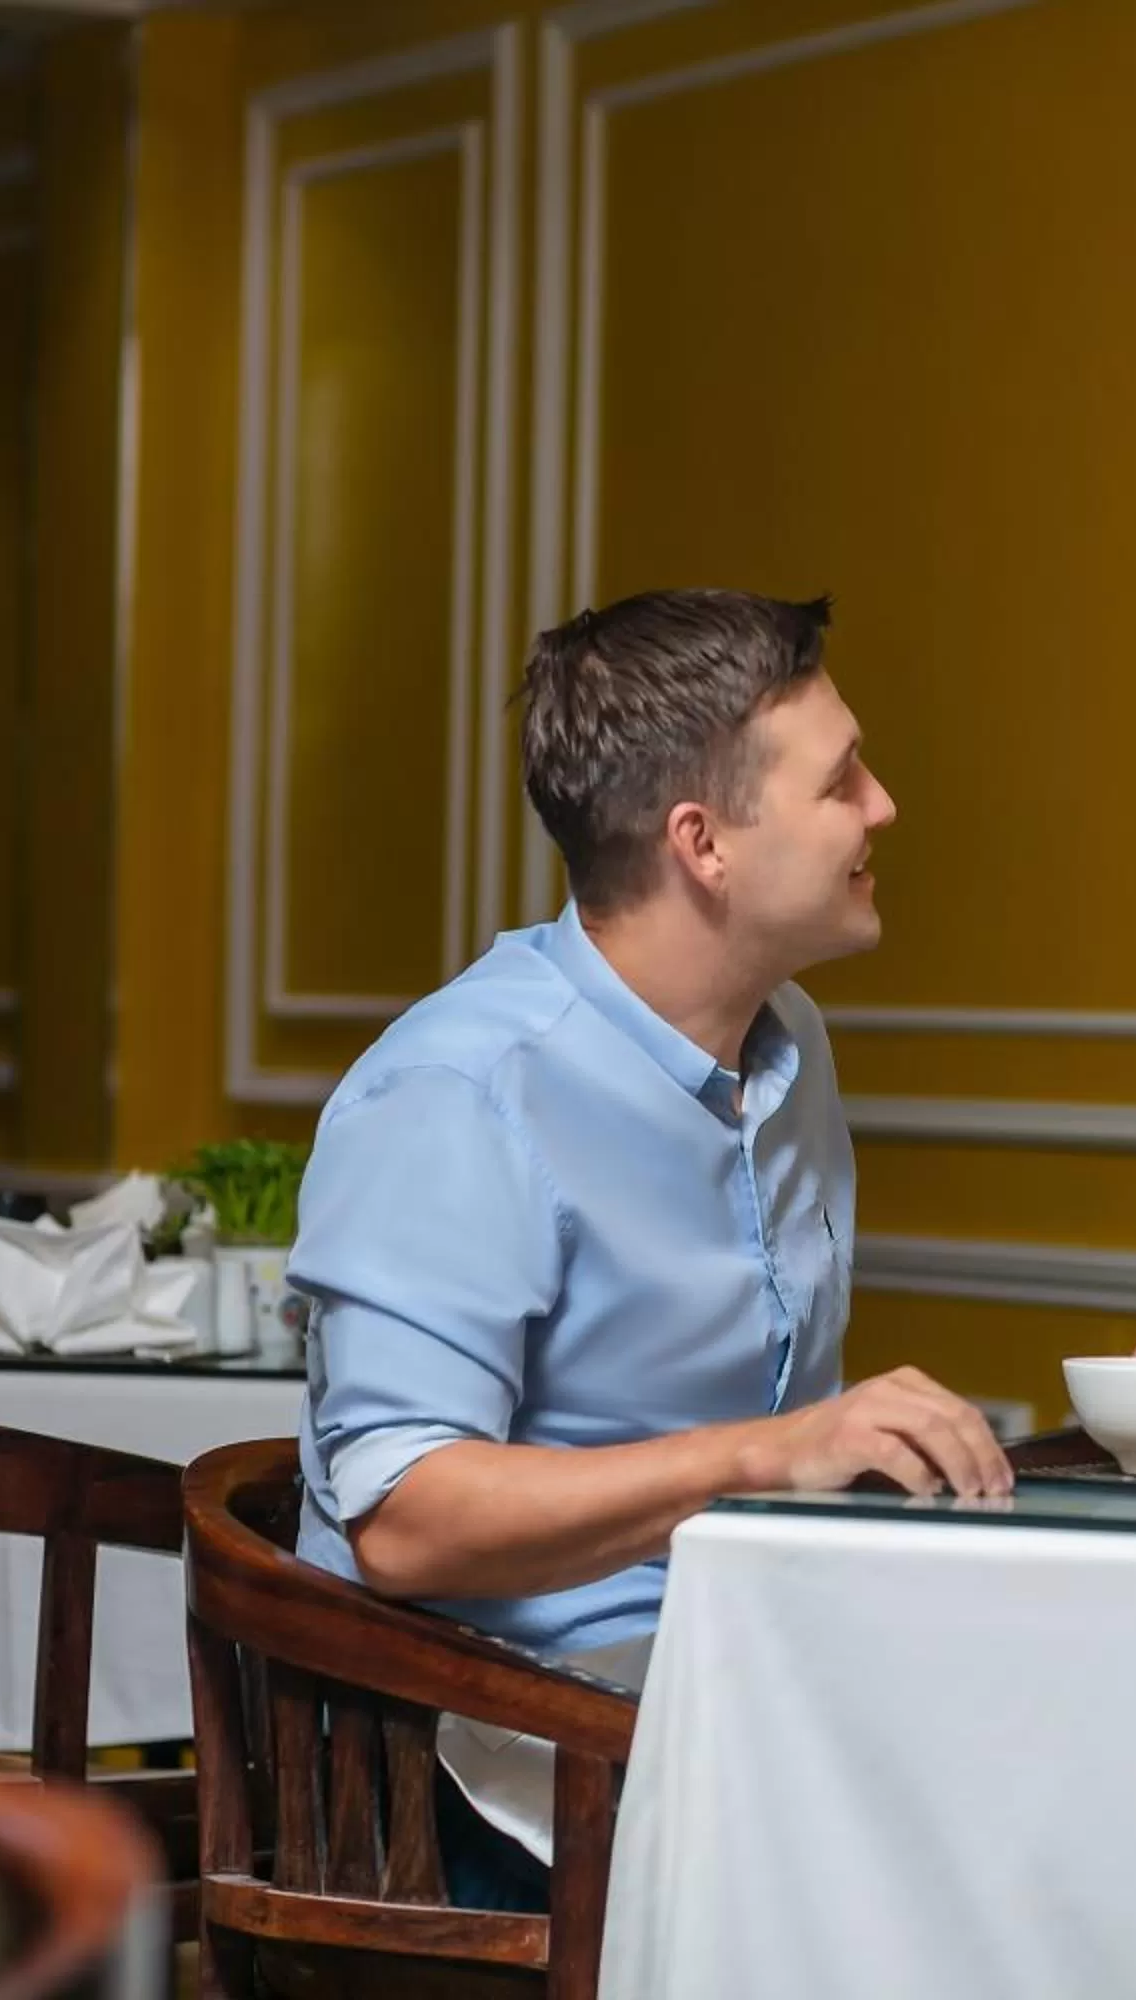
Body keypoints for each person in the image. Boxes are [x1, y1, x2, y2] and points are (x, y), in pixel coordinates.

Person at [289, 588, 1013, 1908]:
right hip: (488, 1768)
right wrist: (766, 1457)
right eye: (841, 779)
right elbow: (400, 1521)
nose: (884, 807)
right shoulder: (460, 1092)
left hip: (733, 1695)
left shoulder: (791, 1049)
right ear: (705, 845)